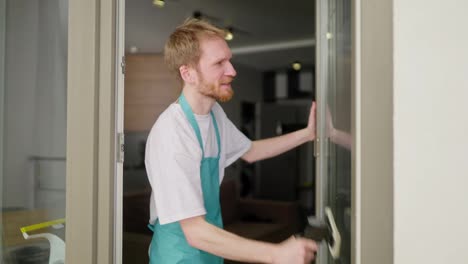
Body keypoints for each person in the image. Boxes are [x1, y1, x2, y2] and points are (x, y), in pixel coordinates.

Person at [145, 18, 318, 263]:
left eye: (229, 60)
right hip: (180, 255)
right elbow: (194, 231)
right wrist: (276, 253)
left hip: (211, 248)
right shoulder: (172, 133)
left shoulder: (215, 115)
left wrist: (307, 134)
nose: (232, 71)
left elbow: (251, 151)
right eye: (219, 63)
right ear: (188, 73)